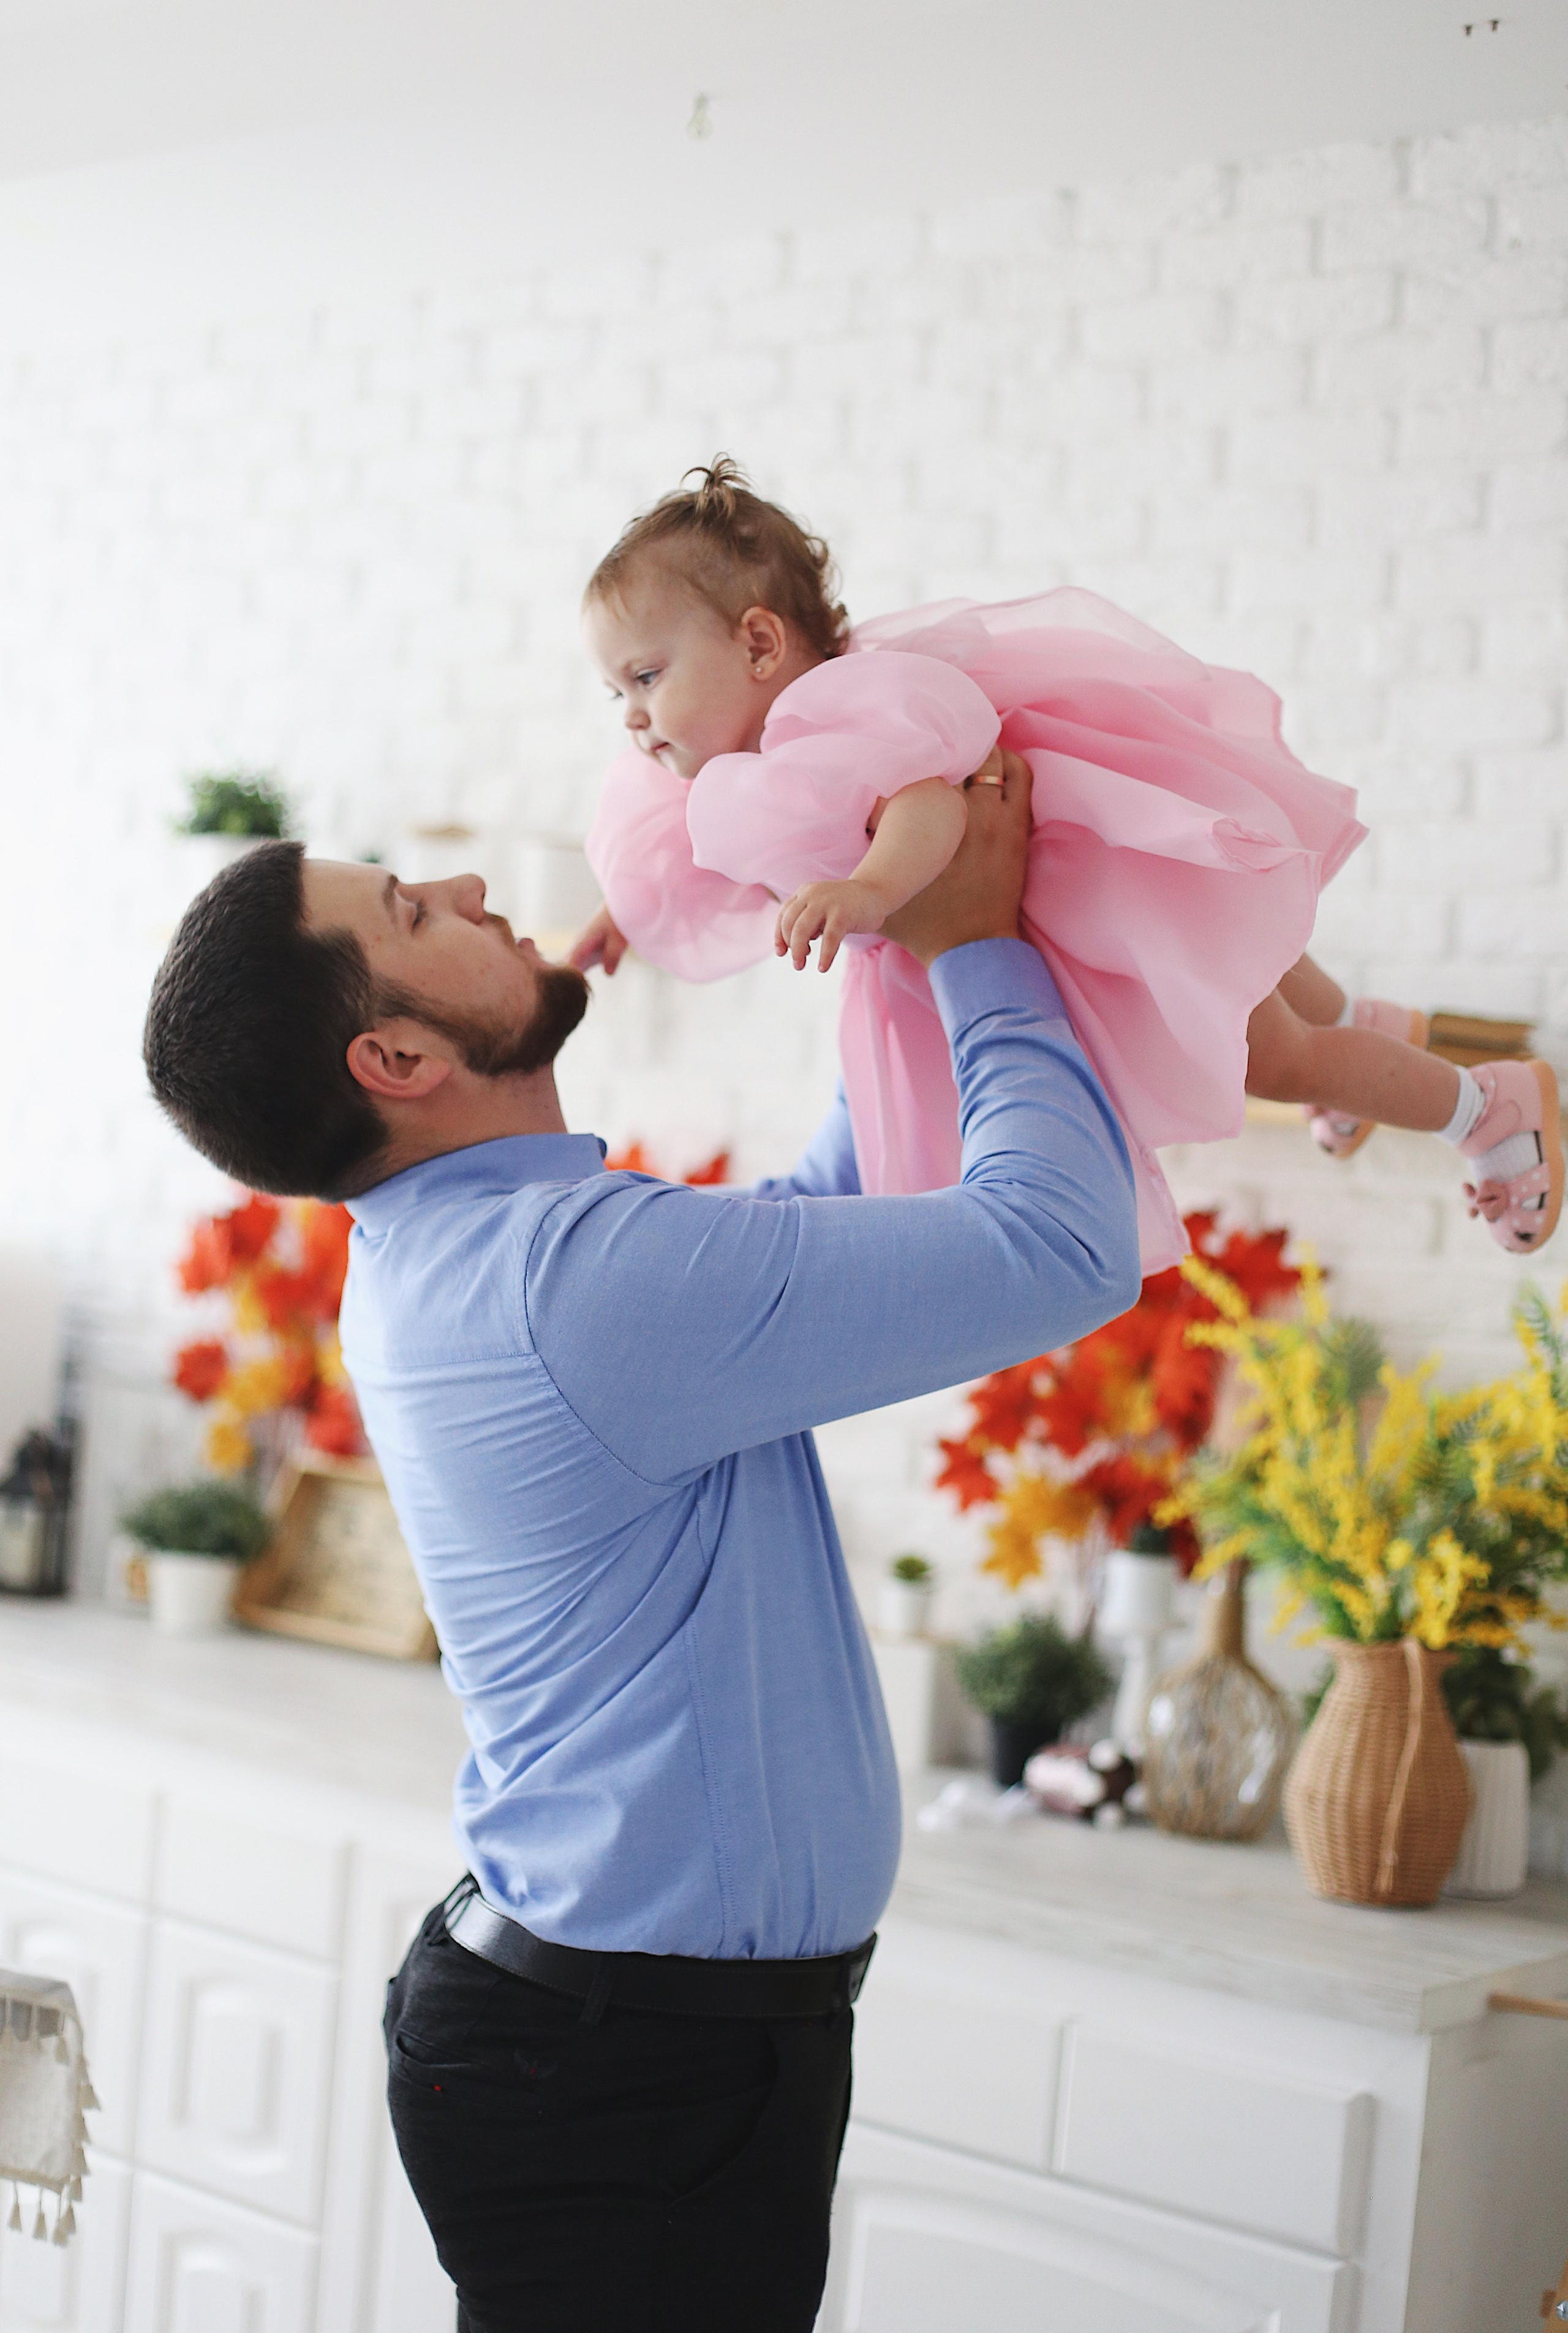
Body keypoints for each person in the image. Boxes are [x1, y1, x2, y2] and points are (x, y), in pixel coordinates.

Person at [140, 755, 1140, 2333]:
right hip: (629, 2069)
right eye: (412, 910)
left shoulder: (481, 1247)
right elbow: (1066, 1249)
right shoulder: (567, 1278)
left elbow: (816, 1212)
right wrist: (976, 947)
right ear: (395, 1054)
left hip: (614, 2043)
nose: (471, 891)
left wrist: (888, 929)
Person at [573, 458, 1562, 1260]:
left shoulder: (832, 715)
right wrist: (627, 919)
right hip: (1093, 894)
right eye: (616, 690)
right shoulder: (752, 764)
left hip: (1085, 896)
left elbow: (926, 804)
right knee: (1245, 976)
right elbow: (705, 865)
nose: (632, 715)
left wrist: (875, 891)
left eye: (647, 676)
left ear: (757, 643)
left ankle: (1486, 1109)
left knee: (1270, 1053)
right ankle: (1360, 1026)